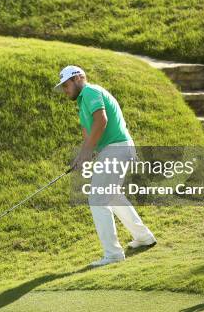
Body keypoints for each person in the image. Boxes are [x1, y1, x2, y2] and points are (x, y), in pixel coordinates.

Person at [54, 65, 157, 267]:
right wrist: (83, 156)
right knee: (112, 195)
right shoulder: (82, 103)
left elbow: (101, 121)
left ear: (77, 78)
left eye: (66, 85)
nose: (65, 91)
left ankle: (113, 254)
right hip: (113, 150)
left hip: (116, 148)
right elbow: (88, 133)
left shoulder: (91, 91)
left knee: (98, 198)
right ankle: (143, 236)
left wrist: (87, 152)